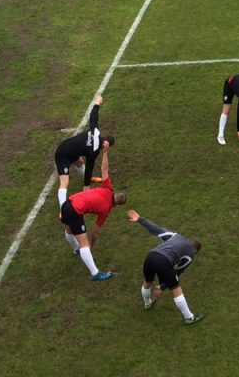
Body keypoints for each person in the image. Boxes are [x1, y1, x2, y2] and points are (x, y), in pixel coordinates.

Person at [58, 142, 126, 281]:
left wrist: (105, 152)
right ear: (117, 205)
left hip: (68, 203)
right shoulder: (106, 210)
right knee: (84, 244)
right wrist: (91, 245)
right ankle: (95, 273)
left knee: (69, 230)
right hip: (75, 210)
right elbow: (95, 231)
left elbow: (104, 169)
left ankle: (76, 250)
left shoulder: (108, 187)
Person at [126, 209, 204, 325]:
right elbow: (177, 272)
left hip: (151, 256)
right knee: (176, 288)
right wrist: (162, 287)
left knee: (147, 282)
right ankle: (189, 317)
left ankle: (147, 303)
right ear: (195, 251)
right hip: (164, 260)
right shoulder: (190, 254)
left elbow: (157, 229)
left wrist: (140, 219)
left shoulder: (176, 236)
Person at [54, 95, 112, 207]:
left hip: (70, 150)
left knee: (79, 162)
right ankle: (63, 208)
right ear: (105, 145)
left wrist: (97, 104)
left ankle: (89, 178)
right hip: (62, 154)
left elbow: (93, 118)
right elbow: (90, 166)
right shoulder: (94, 150)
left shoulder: (96, 132)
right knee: (64, 182)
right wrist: (86, 186)